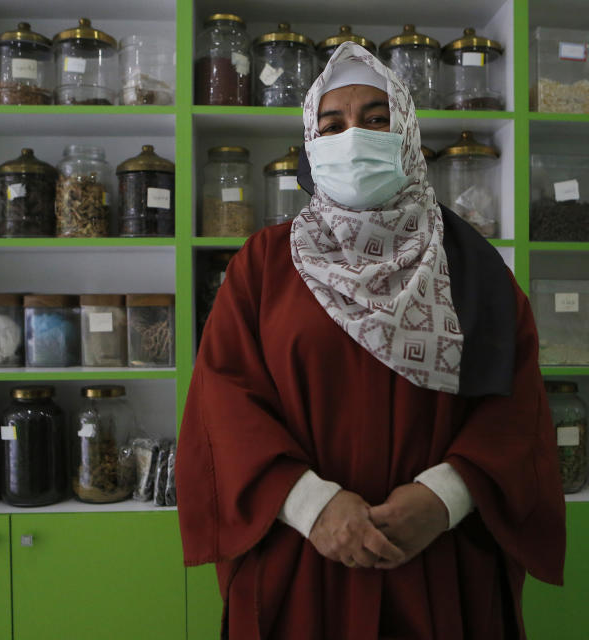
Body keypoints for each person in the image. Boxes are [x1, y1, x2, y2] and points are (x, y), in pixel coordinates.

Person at [176, 42, 565, 639]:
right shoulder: (264, 264)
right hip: (303, 559)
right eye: (331, 125)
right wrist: (313, 507)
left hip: (437, 559)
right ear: (310, 144)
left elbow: (516, 405)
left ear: (406, 133)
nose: (353, 137)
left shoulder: (473, 265)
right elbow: (222, 402)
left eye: (376, 120)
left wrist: (445, 496)